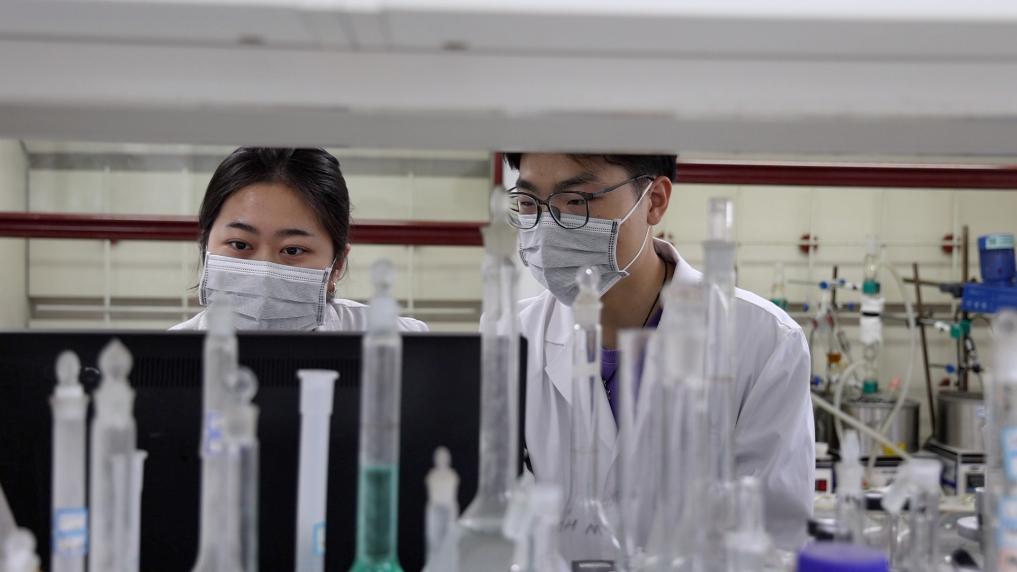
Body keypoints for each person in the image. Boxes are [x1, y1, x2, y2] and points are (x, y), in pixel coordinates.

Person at [505, 152, 814, 549]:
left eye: (577, 201)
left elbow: (775, 539)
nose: (548, 227)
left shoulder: (764, 340)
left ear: (654, 201)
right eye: (529, 203)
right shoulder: (511, 337)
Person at [172, 147, 427, 332]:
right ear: (205, 246)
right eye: (240, 245)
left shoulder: (399, 342)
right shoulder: (168, 358)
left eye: (293, 250)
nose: (264, 272)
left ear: (337, 265)